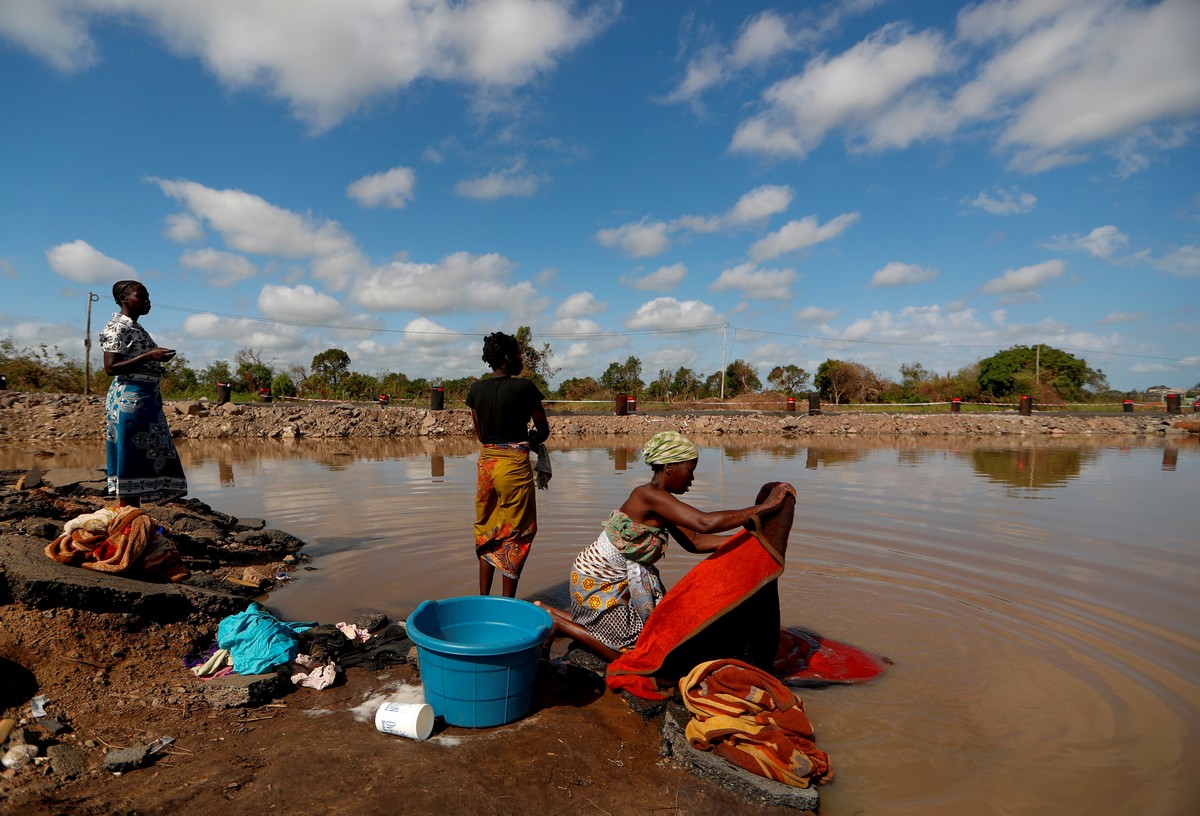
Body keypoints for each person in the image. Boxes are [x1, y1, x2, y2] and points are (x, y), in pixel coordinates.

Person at [538, 431, 794, 662]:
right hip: (598, 578)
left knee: (653, 632)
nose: (692, 478)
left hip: (610, 577)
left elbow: (696, 542)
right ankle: (559, 625)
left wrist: (748, 543)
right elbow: (705, 523)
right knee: (634, 652)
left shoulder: (662, 502)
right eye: (690, 470)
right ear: (669, 467)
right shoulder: (648, 494)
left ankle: (546, 611)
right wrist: (764, 508)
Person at [465, 331, 550, 598]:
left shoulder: (476, 389)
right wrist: (530, 441)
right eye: (518, 354)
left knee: (488, 529)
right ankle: (507, 604)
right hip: (513, 466)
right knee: (517, 532)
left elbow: (480, 434)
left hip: (486, 465)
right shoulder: (524, 388)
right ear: (506, 357)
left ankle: (483, 600)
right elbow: (542, 429)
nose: (520, 359)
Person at [99, 280, 187, 506]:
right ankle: (127, 516)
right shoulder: (116, 326)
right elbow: (110, 367)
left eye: (148, 296)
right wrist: (149, 356)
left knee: (144, 452)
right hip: (130, 400)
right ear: (124, 299)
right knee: (131, 453)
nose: (148, 301)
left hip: (145, 400)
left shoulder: (134, 327)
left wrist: (154, 356)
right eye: (141, 296)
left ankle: (132, 514)